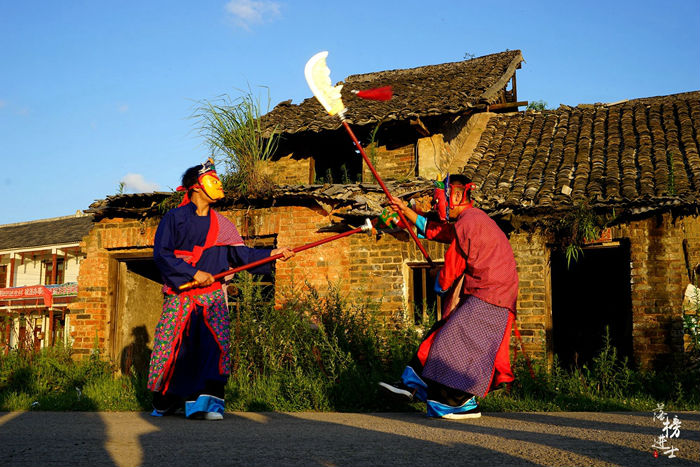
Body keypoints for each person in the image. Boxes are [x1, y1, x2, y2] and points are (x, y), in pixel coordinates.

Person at [147, 158, 294, 420]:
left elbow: (242, 256)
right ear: (195, 187)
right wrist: (193, 272)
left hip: (213, 297)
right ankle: (166, 400)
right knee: (173, 348)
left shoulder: (223, 225)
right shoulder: (174, 219)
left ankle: (206, 406)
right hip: (182, 296)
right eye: (212, 179)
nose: (218, 184)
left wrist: (273, 253)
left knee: (214, 347)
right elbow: (161, 255)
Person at [379, 174, 518, 419]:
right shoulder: (472, 220)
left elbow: (453, 264)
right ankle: (412, 385)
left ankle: (458, 403)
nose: (435, 205)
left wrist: (439, 286)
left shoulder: (469, 221)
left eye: (436, 200)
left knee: (451, 343)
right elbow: (437, 232)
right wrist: (404, 211)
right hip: (490, 294)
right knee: (441, 336)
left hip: (491, 294)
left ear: (454, 195)